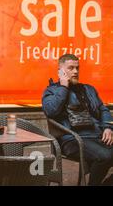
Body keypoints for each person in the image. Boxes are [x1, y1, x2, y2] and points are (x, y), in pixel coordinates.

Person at [42, 54, 113, 185]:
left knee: (107, 155)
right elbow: (50, 111)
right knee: (106, 156)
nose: (75, 71)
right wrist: (63, 87)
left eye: (77, 68)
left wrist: (108, 128)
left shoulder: (88, 89)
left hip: (97, 135)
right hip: (73, 139)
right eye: (71, 68)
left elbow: (103, 109)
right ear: (61, 70)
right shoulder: (52, 91)